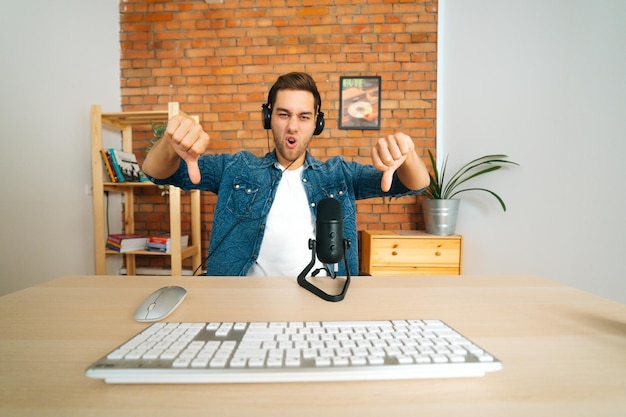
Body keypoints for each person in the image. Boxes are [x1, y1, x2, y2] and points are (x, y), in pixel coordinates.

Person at [142, 72, 430, 277]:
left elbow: (415, 185)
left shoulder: (339, 175)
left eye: (304, 117)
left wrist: (407, 154)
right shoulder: (236, 169)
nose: (293, 126)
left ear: (317, 123)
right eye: (283, 114)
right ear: (268, 118)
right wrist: (170, 144)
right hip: (244, 306)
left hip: (322, 300)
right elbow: (157, 173)